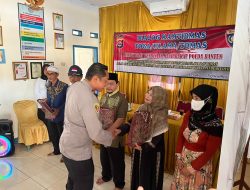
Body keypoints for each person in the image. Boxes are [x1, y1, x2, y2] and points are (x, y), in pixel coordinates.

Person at [59, 63, 116, 190]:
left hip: (66, 144)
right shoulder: (90, 98)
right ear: (95, 78)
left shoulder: (74, 87)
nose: (106, 85)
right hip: (78, 150)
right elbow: (95, 134)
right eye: (105, 81)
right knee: (83, 184)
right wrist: (109, 136)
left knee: (73, 180)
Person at [171, 84, 223, 190]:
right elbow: (181, 136)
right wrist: (178, 156)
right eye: (193, 98)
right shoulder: (190, 115)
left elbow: (209, 153)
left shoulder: (215, 125)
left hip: (199, 166)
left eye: (197, 98)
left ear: (208, 101)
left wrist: (191, 168)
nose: (193, 101)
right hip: (183, 159)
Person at [127, 86, 168, 190]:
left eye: (151, 95)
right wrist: (120, 130)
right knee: (138, 173)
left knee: (149, 175)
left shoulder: (161, 114)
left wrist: (142, 146)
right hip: (139, 148)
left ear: (159, 98)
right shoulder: (142, 108)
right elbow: (131, 123)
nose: (147, 96)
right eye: (147, 93)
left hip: (152, 151)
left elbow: (157, 137)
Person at [96, 73, 128, 190]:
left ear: (117, 84)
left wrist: (109, 132)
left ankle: (119, 184)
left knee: (117, 161)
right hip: (103, 134)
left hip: (114, 136)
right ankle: (106, 176)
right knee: (104, 157)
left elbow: (121, 118)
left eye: (111, 84)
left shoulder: (122, 99)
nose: (108, 86)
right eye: (106, 83)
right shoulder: (103, 96)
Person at [46, 66, 68, 156]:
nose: (49, 76)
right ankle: (56, 151)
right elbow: (49, 98)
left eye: (51, 74)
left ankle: (65, 154)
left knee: (62, 135)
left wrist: (59, 109)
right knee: (53, 134)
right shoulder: (48, 85)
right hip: (50, 113)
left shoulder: (64, 86)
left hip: (61, 114)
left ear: (57, 74)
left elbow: (68, 101)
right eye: (48, 74)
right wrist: (45, 103)